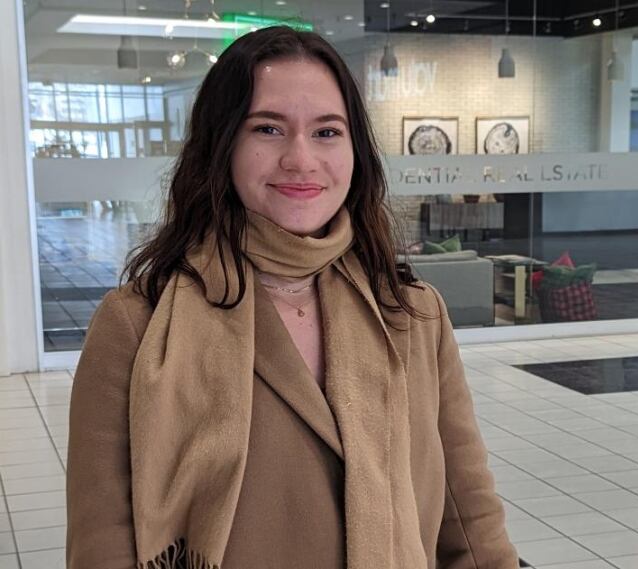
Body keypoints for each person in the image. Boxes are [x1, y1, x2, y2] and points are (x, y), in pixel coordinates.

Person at [66, 26, 518, 569]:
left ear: (356, 150)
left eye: (327, 132)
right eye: (268, 129)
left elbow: (465, 507)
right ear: (223, 144)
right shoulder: (136, 325)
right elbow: (102, 538)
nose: (301, 159)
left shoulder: (411, 312)